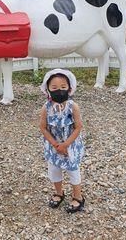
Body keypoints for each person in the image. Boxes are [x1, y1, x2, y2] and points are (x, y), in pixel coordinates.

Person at [39, 68, 85, 213]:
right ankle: (59, 192)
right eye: (54, 88)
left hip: (70, 145)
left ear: (70, 88)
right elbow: (43, 128)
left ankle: (78, 196)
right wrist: (55, 144)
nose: (59, 91)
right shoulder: (46, 108)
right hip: (53, 146)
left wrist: (66, 144)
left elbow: (78, 127)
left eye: (63, 87)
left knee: (73, 170)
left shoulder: (73, 107)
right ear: (47, 89)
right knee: (54, 170)